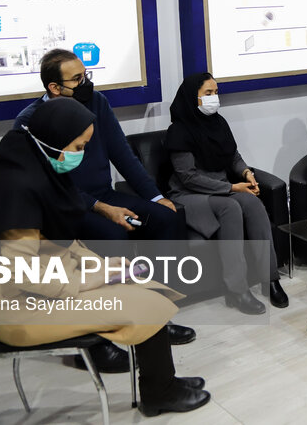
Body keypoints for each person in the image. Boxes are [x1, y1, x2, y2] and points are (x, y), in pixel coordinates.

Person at [0, 99, 210, 416]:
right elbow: (24, 273)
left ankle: (162, 382)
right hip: (20, 308)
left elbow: (59, 242)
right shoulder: (16, 188)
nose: (82, 153)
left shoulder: (37, 163)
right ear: (54, 139)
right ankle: (160, 393)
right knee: (145, 304)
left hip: (45, 289)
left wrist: (102, 267)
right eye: (79, 146)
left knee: (143, 286)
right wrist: (88, 280)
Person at [14, 49, 194, 370]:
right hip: (65, 206)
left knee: (167, 218)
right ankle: (104, 335)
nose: (86, 83)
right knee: (112, 235)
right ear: (54, 87)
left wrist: (155, 197)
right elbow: (46, 182)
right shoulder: (30, 121)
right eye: (77, 79)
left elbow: (122, 153)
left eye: (86, 74)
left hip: (104, 194)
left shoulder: (97, 103)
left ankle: (157, 317)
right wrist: (100, 208)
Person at [165, 73, 288, 315]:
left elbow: (233, 157)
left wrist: (246, 173)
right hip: (188, 195)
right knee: (230, 207)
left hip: (220, 189)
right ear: (192, 97)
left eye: (216, 92)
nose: (214, 98)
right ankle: (237, 290)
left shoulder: (219, 123)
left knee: (252, 203)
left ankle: (271, 278)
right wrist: (232, 188)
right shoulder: (178, 131)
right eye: (208, 93)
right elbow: (188, 177)